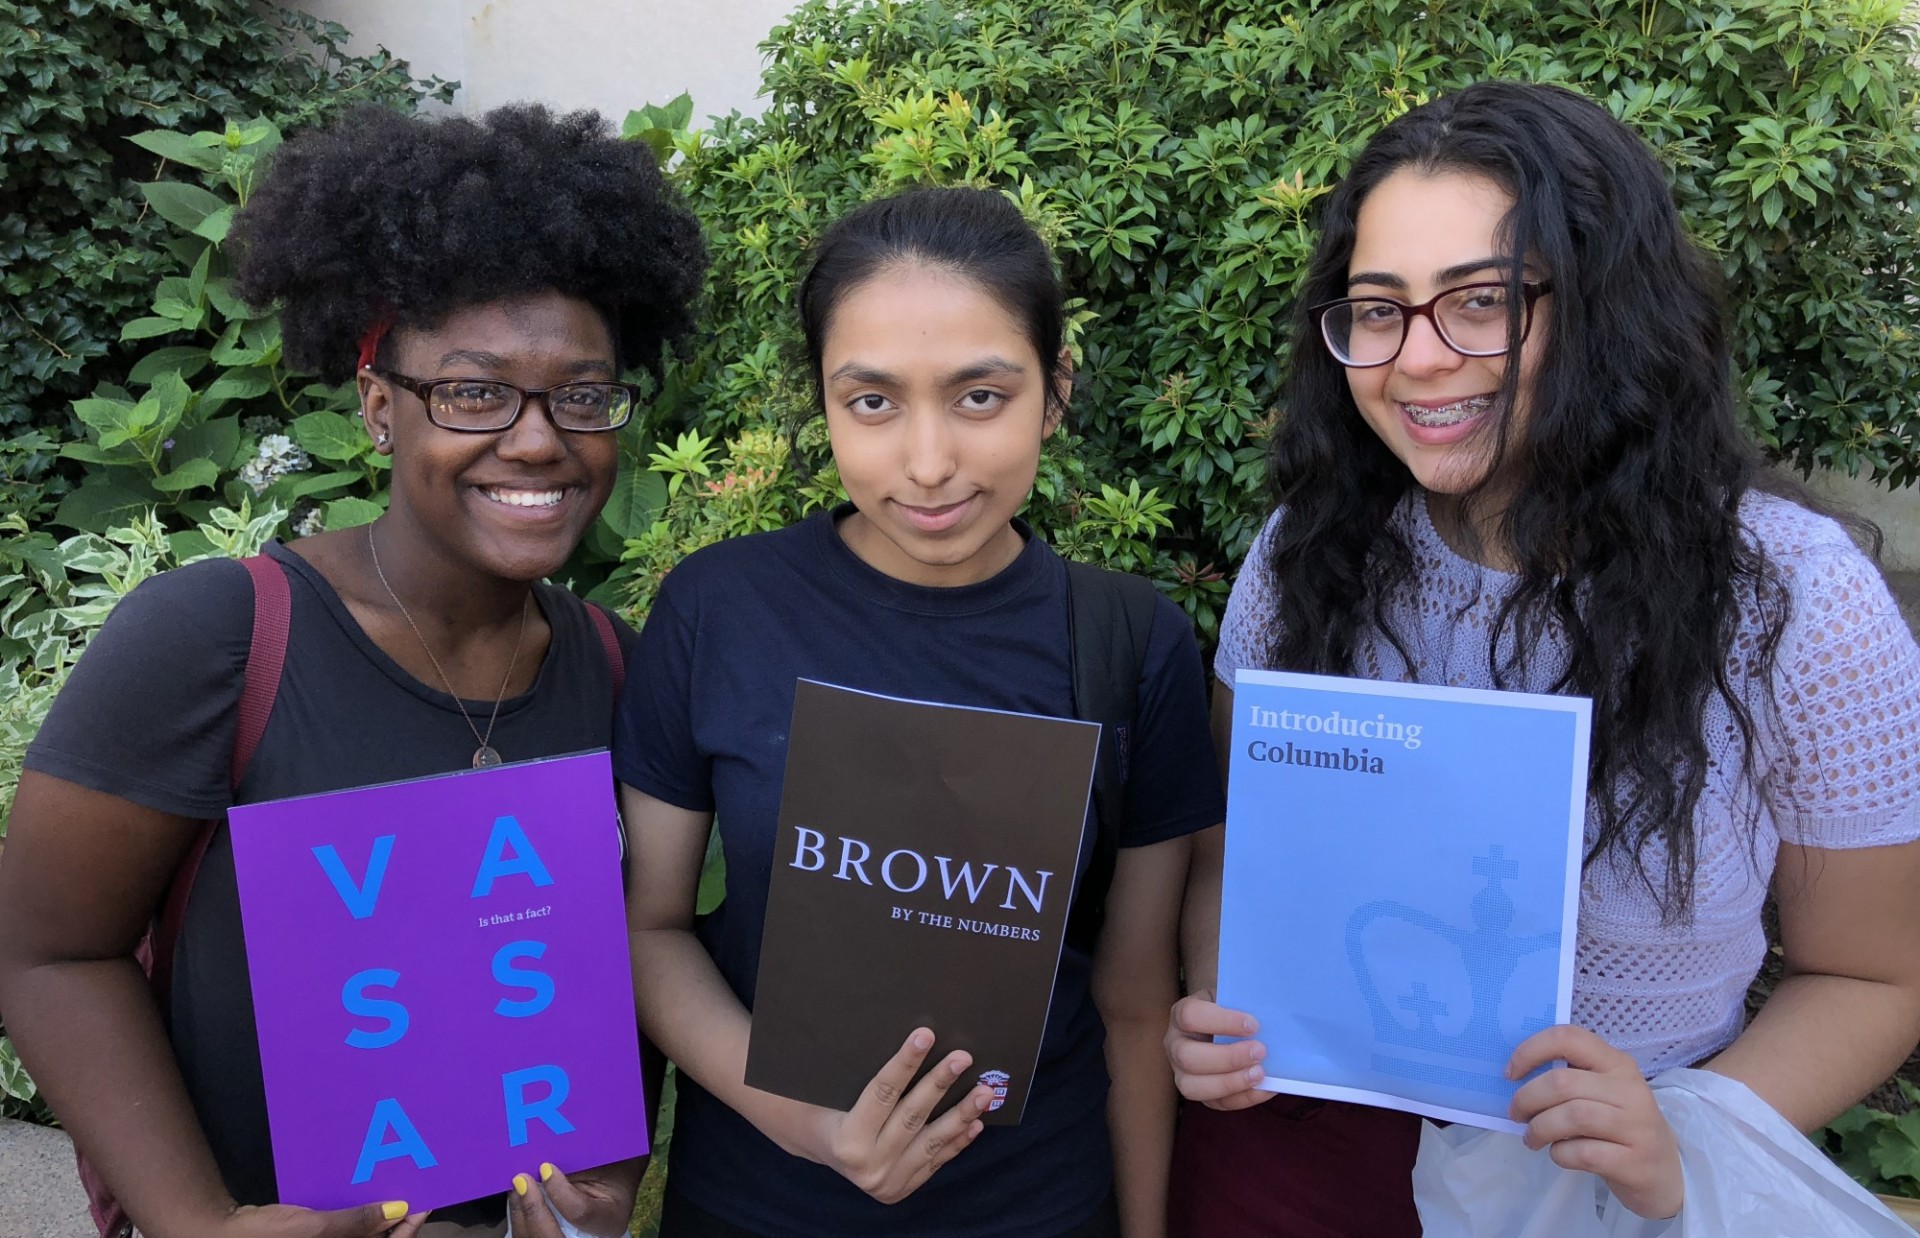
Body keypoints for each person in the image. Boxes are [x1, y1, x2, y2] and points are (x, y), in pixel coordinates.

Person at [1164, 80, 1920, 1236]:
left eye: (1482, 299)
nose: (1418, 358)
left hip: (1602, 1184)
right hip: (1296, 1149)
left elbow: (1874, 974)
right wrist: (1222, 993)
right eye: (1378, 307)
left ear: (1609, 306)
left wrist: (1692, 1130)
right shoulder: (1308, 554)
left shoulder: (1794, 600)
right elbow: (1235, 856)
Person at [0, 103, 706, 1238]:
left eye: (583, 394)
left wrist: (598, 1187)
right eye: (474, 392)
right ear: (379, 405)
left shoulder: (613, 665)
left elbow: (601, 963)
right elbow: (44, 949)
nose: (539, 439)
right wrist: (202, 1223)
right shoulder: (219, 637)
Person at [615, 185, 1225, 1238]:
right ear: (823, 400)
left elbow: (1132, 998)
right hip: (760, 1201)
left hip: (1039, 1204)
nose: (929, 461)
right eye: (874, 401)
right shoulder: (721, 608)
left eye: (981, 396)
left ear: (1056, 389)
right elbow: (650, 927)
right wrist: (808, 1123)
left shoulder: (1133, 642)